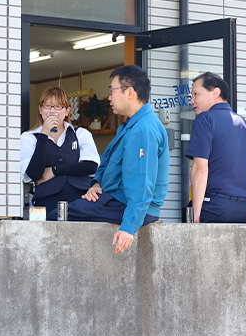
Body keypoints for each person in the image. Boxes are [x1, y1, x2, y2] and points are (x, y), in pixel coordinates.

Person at [48, 65, 170, 253]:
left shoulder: (143, 129)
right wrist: (96, 185)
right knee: (62, 210)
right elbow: (105, 162)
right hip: (114, 199)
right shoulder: (130, 125)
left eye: (111, 91)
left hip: (126, 205)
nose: (110, 98)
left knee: (58, 215)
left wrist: (128, 227)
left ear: (129, 92)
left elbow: (141, 182)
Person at [185, 72, 246, 223]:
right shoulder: (245, 125)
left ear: (216, 93)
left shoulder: (205, 119)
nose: (192, 101)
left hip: (214, 207)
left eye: (196, 94)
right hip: (245, 209)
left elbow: (200, 169)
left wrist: (195, 215)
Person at [20, 87, 100, 215]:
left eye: (58, 106)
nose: (52, 110)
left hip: (81, 199)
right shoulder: (30, 138)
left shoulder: (80, 134)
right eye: (47, 106)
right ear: (40, 110)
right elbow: (34, 173)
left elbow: (90, 166)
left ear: (67, 111)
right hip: (47, 201)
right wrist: (43, 135)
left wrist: (55, 170)